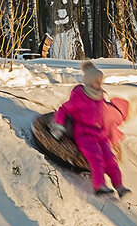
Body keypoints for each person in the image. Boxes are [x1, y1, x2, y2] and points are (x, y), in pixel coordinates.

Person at [50, 61, 130, 197]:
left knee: (110, 158)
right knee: (96, 157)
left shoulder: (99, 95)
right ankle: (99, 185)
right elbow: (63, 110)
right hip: (84, 133)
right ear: (89, 82)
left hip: (100, 133)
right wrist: (58, 126)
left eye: (100, 81)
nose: (100, 84)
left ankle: (119, 185)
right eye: (97, 81)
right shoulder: (80, 97)